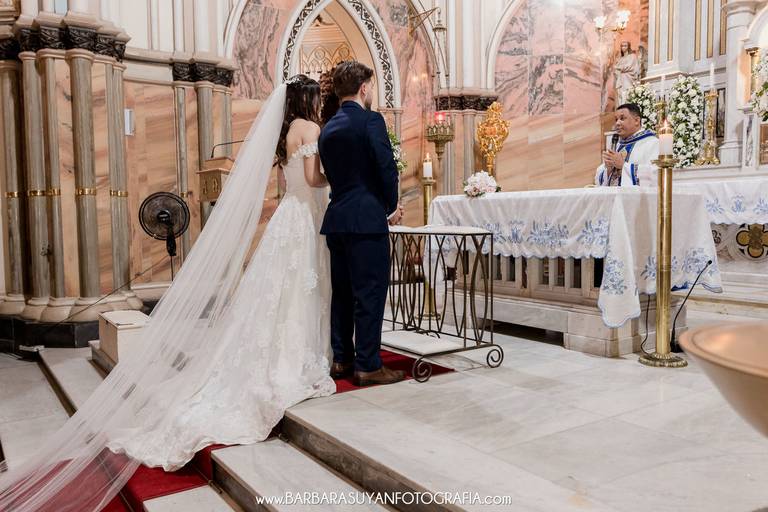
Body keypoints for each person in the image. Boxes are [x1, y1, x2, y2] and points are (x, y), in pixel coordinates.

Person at [0, 75, 338, 510]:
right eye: (316, 97)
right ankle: (295, 358)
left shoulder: (284, 133)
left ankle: (283, 353)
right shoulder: (310, 129)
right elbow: (312, 179)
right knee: (298, 291)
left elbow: (287, 183)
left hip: (287, 218)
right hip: (306, 217)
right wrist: (338, 175)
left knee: (282, 294)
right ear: (307, 99)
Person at [319, 61, 405, 387]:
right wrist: (389, 207)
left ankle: (342, 359)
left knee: (342, 293)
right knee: (369, 293)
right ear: (364, 88)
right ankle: (368, 365)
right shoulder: (371, 120)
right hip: (366, 220)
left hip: (337, 218)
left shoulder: (328, 127)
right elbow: (386, 167)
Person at [595, 102, 659, 187]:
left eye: (622, 118)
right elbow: (599, 179)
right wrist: (609, 169)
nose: (617, 123)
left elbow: (656, 174)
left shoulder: (652, 143)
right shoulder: (618, 146)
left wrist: (623, 166)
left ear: (636, 121)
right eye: (616, 119)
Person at [613, 41, 641, 105]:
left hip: (628, 78)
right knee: (621, 95)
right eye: (622, 46)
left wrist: (618, 67)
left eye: (625, 46)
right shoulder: (621, 59)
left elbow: (629, 67)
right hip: (621, 79)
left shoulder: (632, 56)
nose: (623, 47)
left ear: (628, 47)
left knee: (628, 94)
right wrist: (617, 69)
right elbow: (616, 71)